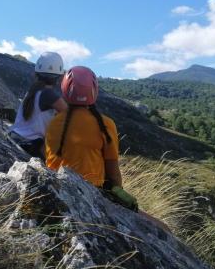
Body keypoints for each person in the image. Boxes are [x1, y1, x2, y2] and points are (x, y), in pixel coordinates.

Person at [45, 66, 170, 231]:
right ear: (94, 92)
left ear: (65, 90)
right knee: (164, 229)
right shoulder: (105, 124)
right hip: (93, 194)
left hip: (56, 189)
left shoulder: (53, 123)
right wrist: (119, 197)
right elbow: (113, 172)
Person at [9, 52, 68, 160]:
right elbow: (70, 114)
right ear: (58, 77)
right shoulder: (48, 94)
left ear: (37, 73)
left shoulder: (33, 91)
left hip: (16, 137)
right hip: (31, 145)